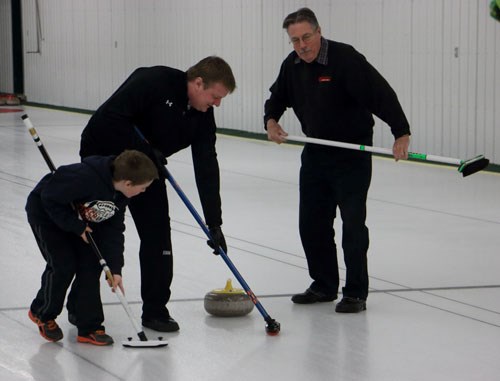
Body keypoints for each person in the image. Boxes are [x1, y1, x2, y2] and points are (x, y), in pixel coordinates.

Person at [264, 8, 411, 313]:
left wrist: (401, 132)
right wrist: (271, 120)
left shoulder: (345, 59)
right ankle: (323, 284)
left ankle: (355, 292)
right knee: (312, 223)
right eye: (295, 40)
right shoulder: (291, 65)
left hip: (351, 155)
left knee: (353, 225)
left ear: (319, 32)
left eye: (306, 37)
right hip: (315, 152)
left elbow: (380, 94)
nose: (302, 45)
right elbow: (277, 97)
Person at [77, 56, 236, 332]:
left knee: (158, 235)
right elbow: (109, 118)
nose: (217, 104)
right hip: (104, 159)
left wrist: (214, 222)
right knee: (97, 232)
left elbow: (207, 165)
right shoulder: (153, 80)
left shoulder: (202, 116)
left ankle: (155, 310)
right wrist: (145, 150)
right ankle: (82, 310)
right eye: (215, 96)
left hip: (147, 170)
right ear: (198, 83)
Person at [27, 150, 158, 345]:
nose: (144, 191)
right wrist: (76, 226)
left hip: (82, 219)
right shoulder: (84, 177)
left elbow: (114, 231)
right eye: (143, 187)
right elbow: (49, 198)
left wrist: (114, 268)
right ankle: (42, 312)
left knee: (91, 266)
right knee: (63, 265)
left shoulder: (120, 195)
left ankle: (88, 325)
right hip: (47, 216)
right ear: (128, 183)